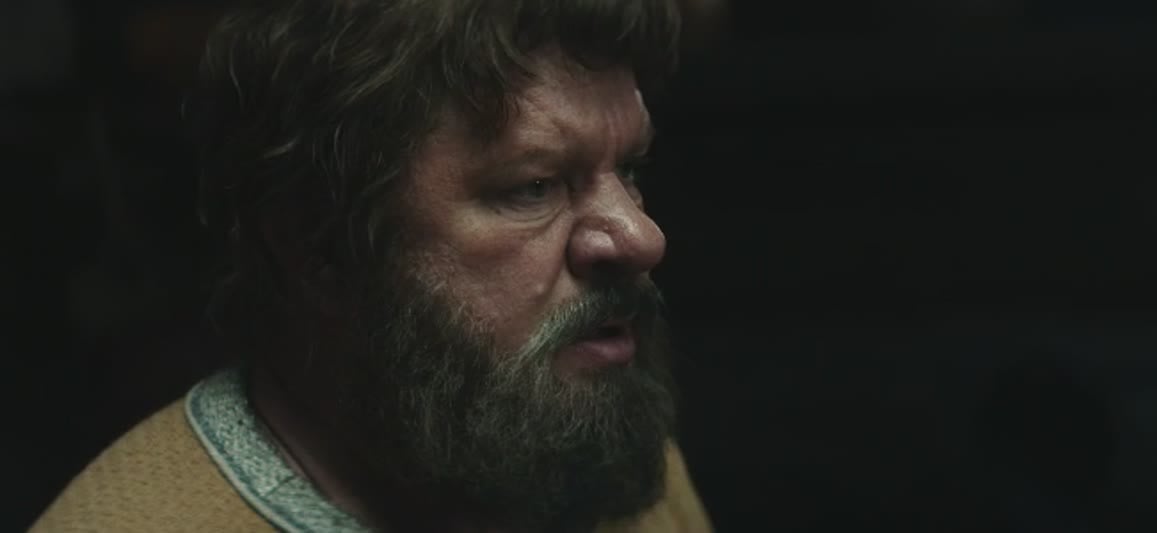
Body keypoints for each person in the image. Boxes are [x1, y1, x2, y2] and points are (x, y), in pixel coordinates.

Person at [31, 0, 713, 531]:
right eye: (533, 187)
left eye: (630, 168)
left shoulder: (594, 448)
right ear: (317, 246)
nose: (641, 236)